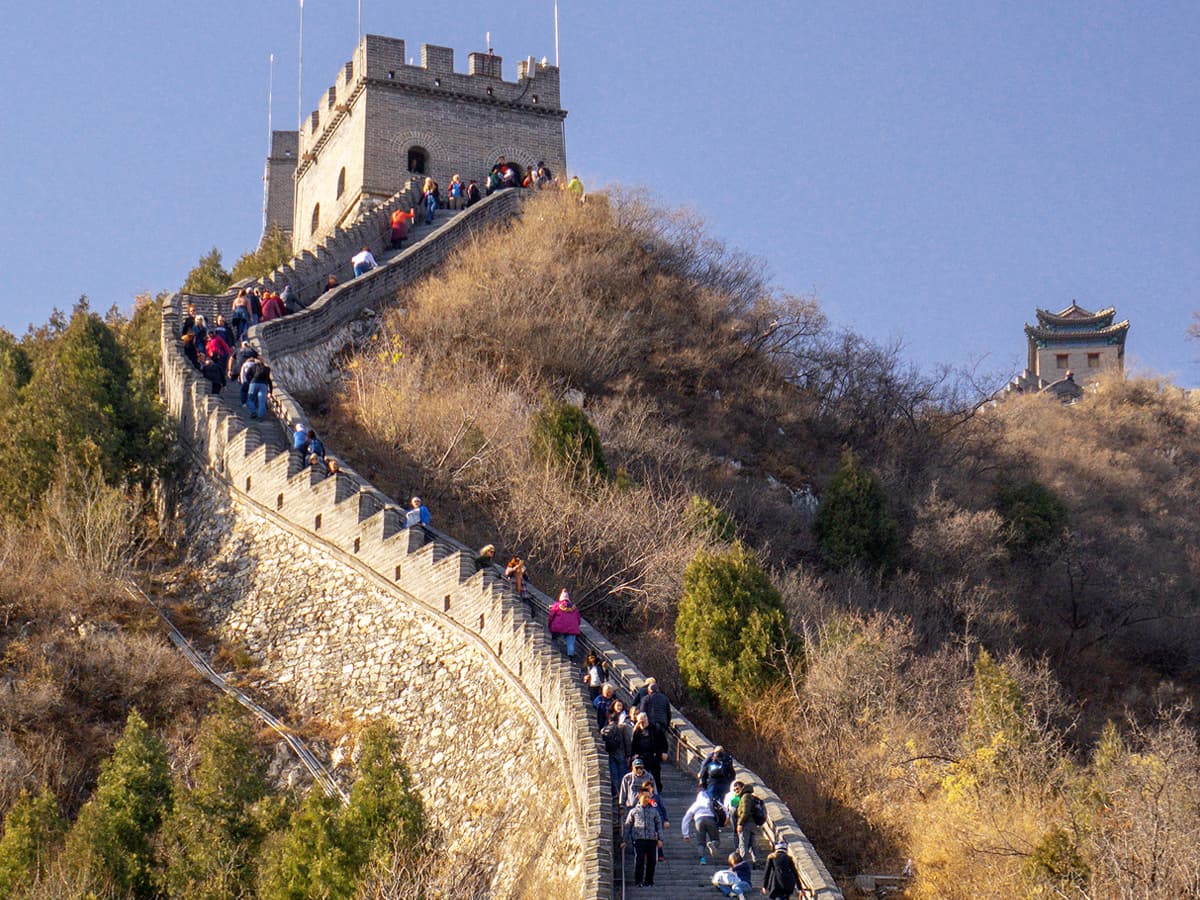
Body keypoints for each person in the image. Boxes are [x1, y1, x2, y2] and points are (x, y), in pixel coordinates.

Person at [621, 788, 663, 888]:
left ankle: (649, 881)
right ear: (639, 797)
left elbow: (658, 825)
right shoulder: (634, 811)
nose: (647, 799)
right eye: (645, 797)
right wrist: (624, 840)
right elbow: (628, 826)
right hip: (639, 839)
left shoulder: (654, 811)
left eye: (649, 797)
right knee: (639, 860)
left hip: (652, 839)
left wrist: (660, 839)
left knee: (652, 861)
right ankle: (638, 880)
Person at [629, 712, 667, 792]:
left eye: (643, 721)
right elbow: (633, 744)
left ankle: (657, 791)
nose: (642, 723)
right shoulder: (637, 731)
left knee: (656, 775)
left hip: (654, 755)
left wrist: (664, 752)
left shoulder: (655, 729)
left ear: (647, 719)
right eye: (640, 722)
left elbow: (663, 742)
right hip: (641, 756)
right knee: (643, 775)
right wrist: (634, 754)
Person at [682, 788, 722, 864]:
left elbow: (686, 818)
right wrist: (726, 819)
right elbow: (724, 808)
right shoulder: (711, 801)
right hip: (710, 819)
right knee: (716, 839)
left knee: (701, 843)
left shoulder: (696, 804)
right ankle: (712, 844)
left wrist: (685, 834)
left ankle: (702, 859)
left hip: (698, 821)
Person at [600, 709, 631, 798]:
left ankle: (616, 793)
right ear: (617, 720)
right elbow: (627, 742)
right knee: (622, 774)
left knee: (614, 775)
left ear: (609, 720)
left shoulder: (604, 730)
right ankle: (623, 794)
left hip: (611, 754)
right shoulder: (621, 728)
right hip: (621, 754)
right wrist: (628, 754)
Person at [547, 588, 581, 658]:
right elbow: (578, 619)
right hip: (572, 628)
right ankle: (570, 656)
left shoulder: (557, 605)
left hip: (558, 627)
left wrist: (549, 624)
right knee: (570, 643)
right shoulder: (574, 608)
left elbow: (551, 615)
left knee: (554, 638)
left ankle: (554, 651)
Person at [735, 782, 762, 864]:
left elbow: (745, 812)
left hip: (746, 824)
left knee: (743, 845)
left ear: (742, 788)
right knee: (754, 845)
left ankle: (745, 863)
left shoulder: (745, 797)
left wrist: (740, 823)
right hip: (753, 824)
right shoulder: (751, 796)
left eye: (737, 789)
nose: (736, 791)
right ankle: (756, 862)